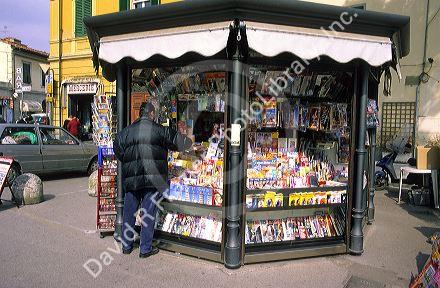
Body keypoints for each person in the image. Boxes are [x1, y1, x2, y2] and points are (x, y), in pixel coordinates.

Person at [113, 102, 192, 258]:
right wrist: (189, 141)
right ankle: (145, 249)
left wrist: (129, 162)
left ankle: (126, 246)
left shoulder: (126, 132)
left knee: (129, 211)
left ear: (139, 114)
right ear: (151, 114)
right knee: (148, 213)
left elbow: (118, 149)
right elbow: (179, 142)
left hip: (132, 179)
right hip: (152, 179)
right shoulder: (159, 130)